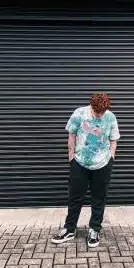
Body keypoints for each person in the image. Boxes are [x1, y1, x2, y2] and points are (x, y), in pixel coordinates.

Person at [52, 92, 120, 248]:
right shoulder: (79, 113)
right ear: (91, 106)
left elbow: (114, 138)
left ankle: (94, 229)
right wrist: (71, 159)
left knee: (99, 198)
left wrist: (111, 158)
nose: (100, 115)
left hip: (103, 164)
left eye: (103, 112)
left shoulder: (110, 117)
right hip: (80, 163)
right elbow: (71, 135)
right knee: (75, 198)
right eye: (98, 112)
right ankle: (69, 229)